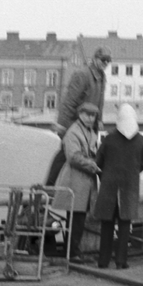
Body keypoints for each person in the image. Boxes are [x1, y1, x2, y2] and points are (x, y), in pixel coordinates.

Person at [93, 102, 143, 269]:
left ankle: (103, 261)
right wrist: (131, 174)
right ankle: (121, 261)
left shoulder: (109, 139)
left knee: (107, 225)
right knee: (125, 225)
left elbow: (98, 162)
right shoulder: (141, 141)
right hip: (129, 187)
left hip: (109, 186)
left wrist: (105, 176)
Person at [48, 47, 111, 184]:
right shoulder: (82, 75)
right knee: (66, 153)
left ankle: (67, 187)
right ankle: (49, 186)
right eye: (103, 60)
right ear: (95, 59)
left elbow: (99, 102)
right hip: (75, 124)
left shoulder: (101, 77)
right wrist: (62, 125)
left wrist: (99, 120)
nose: (106, 63)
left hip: (89, 125)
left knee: (78, 155)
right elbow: (69, 101)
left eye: (108, 60)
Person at [55, 100, 101, 262]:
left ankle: (72, 251)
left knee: (78, 218)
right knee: (76, 218)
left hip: (83, 181)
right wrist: (93, 165)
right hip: (75, 180)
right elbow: (73, 157)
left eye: (93, 116)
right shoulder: (74, 132)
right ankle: (72, 253)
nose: (90, 118)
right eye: (87, 115)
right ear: (80, 114)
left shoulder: (88, 131)